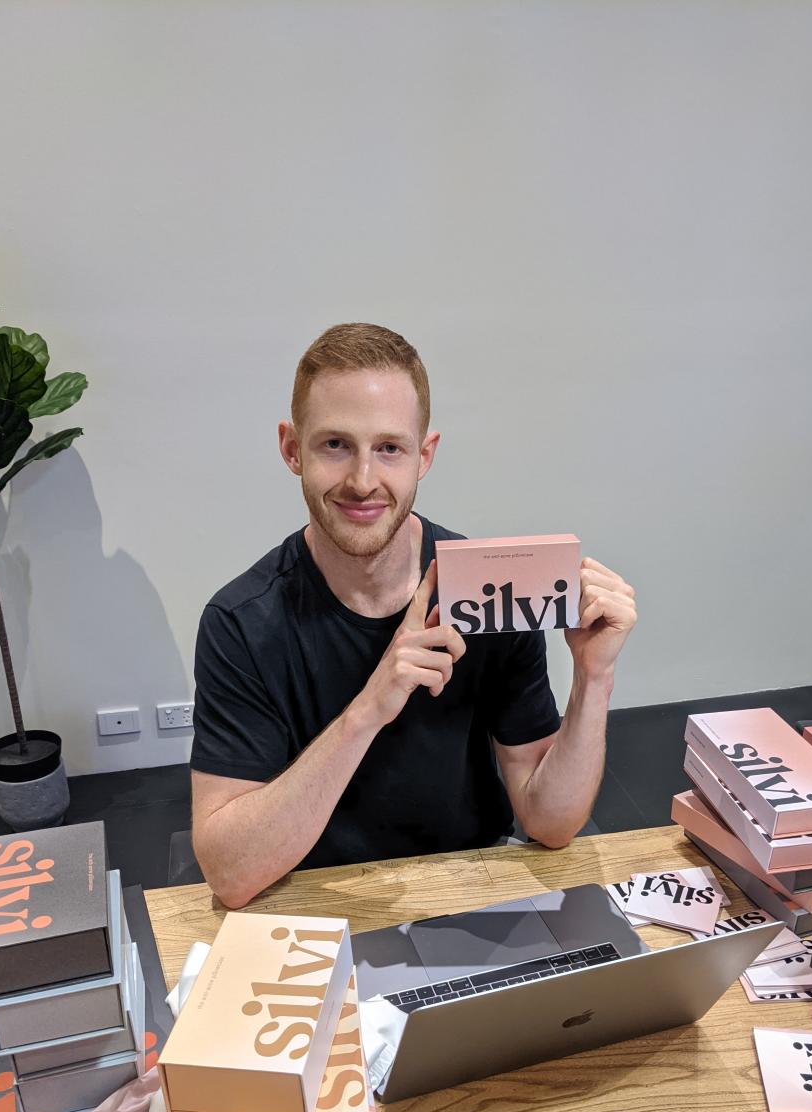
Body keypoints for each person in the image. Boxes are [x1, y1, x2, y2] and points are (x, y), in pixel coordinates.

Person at [190, 323, 636, 907]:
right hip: (314, 899)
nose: (363, 481)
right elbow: (230, 871)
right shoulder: (241, 622)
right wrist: (369, 709)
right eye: (334, 445)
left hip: (470, 890)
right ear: (291, 448)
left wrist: (594, 677)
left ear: (424, 455)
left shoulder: (488, 592)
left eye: (389, 448)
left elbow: (550, 824)